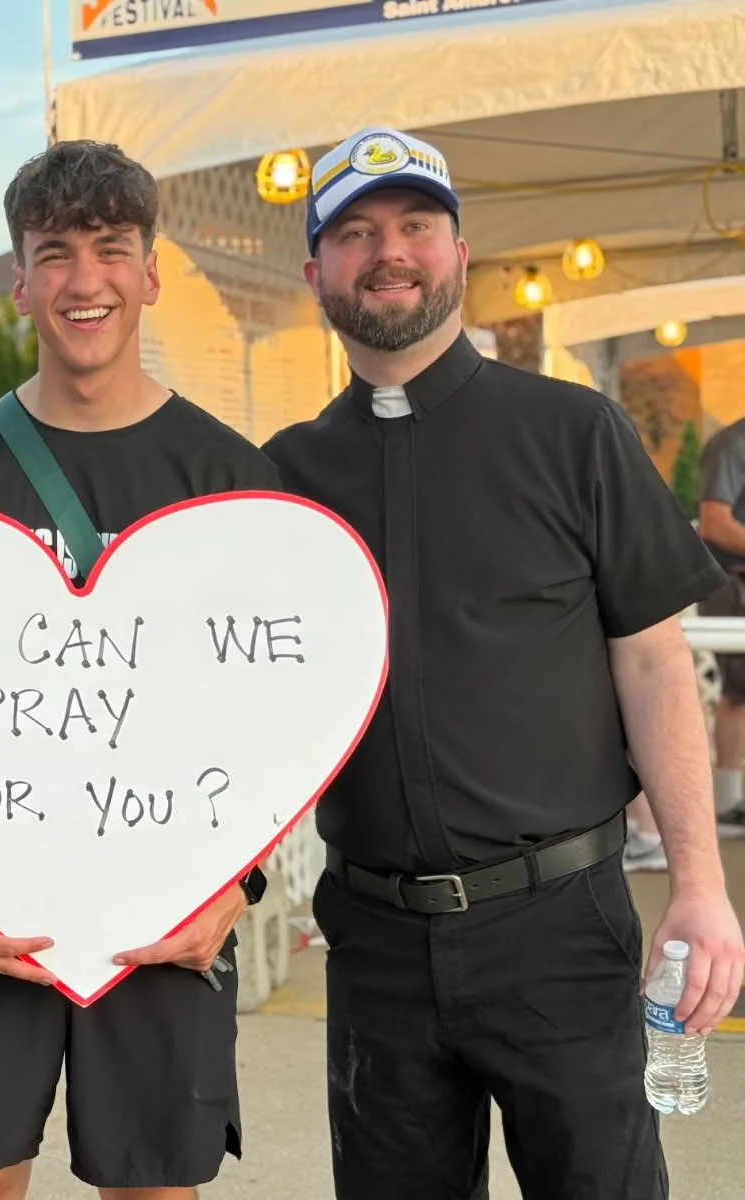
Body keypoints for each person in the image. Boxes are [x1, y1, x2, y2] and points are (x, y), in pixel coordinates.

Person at [262, 125, 745, 1199]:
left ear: (458, 252)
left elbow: (659, 669)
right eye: (355, 232)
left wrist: (699, 888)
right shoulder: (285, 475)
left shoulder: (575, 432)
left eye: (414, 226)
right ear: (316, 274)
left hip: (559, 933)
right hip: (376, 943)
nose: (388, 251)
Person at [0, 139, 274, 1200]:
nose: (83, 279)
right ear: (20, 280)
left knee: (153, 1185)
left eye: (111, 248)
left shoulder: (229, 478)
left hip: (160, 911)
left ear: (150, 272)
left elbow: (272, 711)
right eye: (54, 253)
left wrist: (234, 888)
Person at [696, 416, 745, 838]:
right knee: (740, 690)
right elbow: (715, 522)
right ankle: (730, 806)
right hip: (733, 580)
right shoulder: (733, 443)